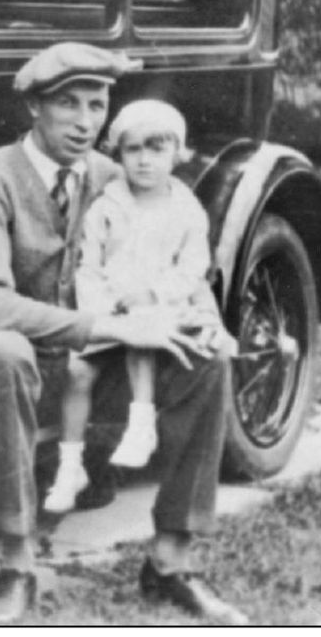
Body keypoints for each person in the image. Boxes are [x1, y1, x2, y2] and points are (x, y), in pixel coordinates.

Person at [0, 42, 247, 625]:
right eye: (69, 104)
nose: (86, 122)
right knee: (4, 352)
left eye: (98, 104)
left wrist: (203, 322)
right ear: (34, 106)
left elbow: (172, 258)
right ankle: (17, 562)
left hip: (96, 368)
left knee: (204, 358)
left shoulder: (119, 177)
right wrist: (105, 325)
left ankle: (169, 561)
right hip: (7, 371)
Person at [43, 99, 228, 514]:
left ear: (177, 154)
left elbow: (193, 267)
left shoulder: (185, 210)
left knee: (144, 332)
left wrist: (155, 295)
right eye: (133, 150)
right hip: (110, 310)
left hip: (159, 308)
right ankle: (70, 466)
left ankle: (141, 423)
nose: (144, 161)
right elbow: (88, 267)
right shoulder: (107, 206)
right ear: (119, 154)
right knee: (77, 371)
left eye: (156, 149)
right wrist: (105, 311)